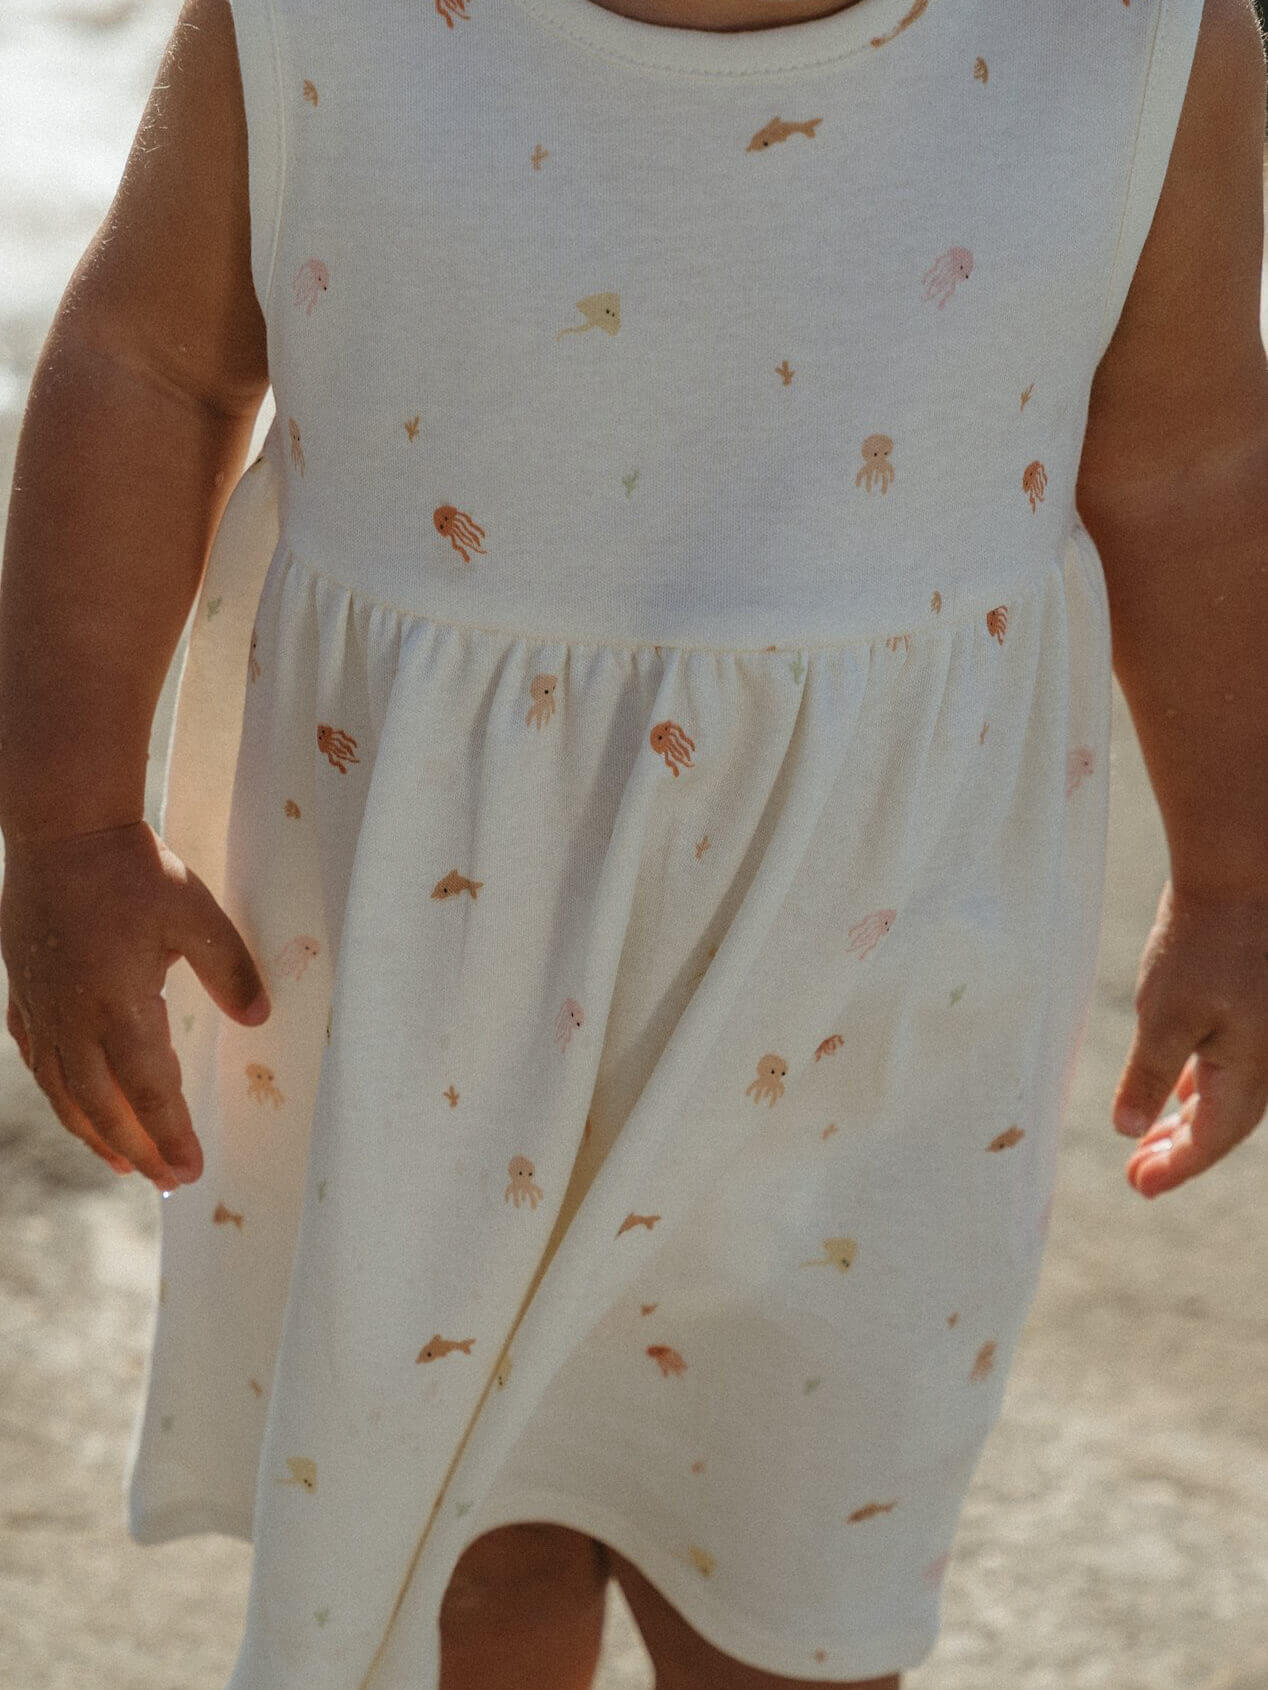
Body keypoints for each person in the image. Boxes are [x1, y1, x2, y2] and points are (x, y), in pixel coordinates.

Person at [2, 0, 1266, 1685]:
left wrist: (1241, 867)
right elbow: (148, 367)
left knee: (794, 1580)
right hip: (428, 983)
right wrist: (70, 817)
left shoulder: (1121, 39)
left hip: (868, 1018)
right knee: (459, 1541)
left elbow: (1189, 465)